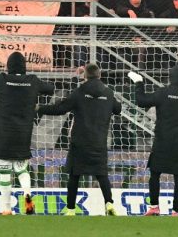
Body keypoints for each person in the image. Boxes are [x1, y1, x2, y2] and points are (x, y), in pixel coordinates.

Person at [0, 51, 55, 215]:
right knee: (22, 169)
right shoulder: (32, 81)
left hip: (3, 132)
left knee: (5, 171)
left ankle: (7, 208)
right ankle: (28, 200)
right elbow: (50, 89)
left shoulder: (2, 80)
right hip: (23, 133)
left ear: (8, 66)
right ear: (24, 66)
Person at [37, 62, 122, 216]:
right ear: (100, 75)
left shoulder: (80, 91)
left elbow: (60, 109)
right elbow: (118, 109)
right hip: (99, 141)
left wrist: (40, 108)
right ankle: (109, 203)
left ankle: (70, 209)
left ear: (85, 76)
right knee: (102, 175)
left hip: (80, 140)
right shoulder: (108, 92)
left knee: (74, 175)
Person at [130, 62, 178, 216]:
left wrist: (139, 82)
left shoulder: (163, 92)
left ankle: (154, 207)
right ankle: (175, 211)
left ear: (171, 75)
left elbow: (141, 101)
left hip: (163, 140)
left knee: (155, 173)